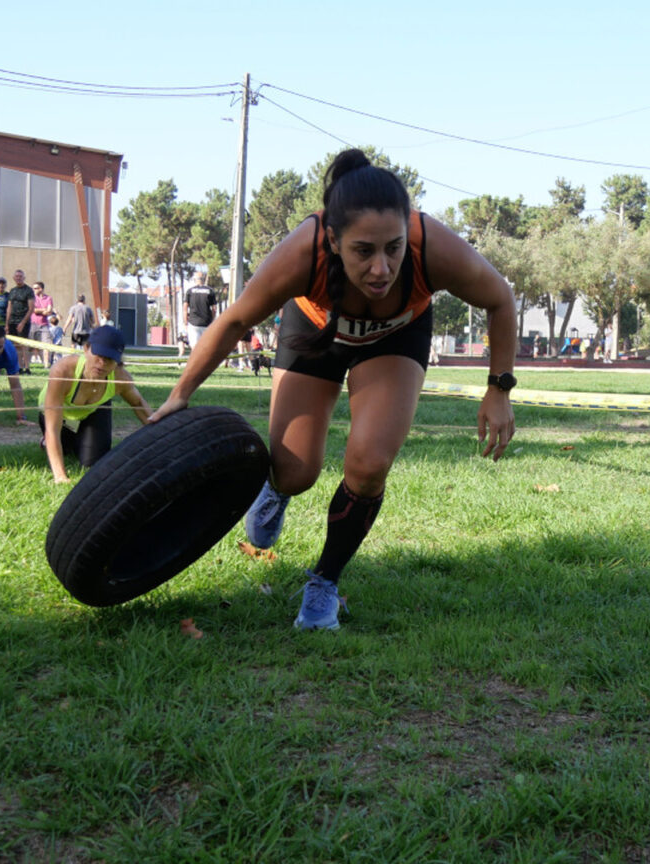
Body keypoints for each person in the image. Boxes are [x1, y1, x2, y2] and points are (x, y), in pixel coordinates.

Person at [149, 148, 516, 631]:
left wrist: (499, 389)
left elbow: (500, 299)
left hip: (394, 338)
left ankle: (324, 581)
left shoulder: (433, 247)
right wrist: (181, 393)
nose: (382, 268)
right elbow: (236, 319)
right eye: (364, 250)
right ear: (333, 240)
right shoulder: (303, 253)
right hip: (316, 328)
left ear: (408, 232)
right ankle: (277, 489)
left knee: (368, 466)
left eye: (394, 248)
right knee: (297, 470)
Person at [39, 325, 152, 482]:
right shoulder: (63, 371)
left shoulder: (121, 378)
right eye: (98, 355)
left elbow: (139, 404)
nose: (102, 363)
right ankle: (49, 441)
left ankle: (78, 440)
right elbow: (52, 428)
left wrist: (165, 437)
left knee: (93, 463)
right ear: (86, 349)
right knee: (62, 448)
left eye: (110, 359)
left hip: (90, 414)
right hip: (59, 418)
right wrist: (60, 476)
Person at [6, 270, 36, 374]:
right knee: (15, 345)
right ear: (14, 278)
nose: (18, 278)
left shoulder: (28, 290)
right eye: (17, 276)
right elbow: (9, 308)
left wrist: (23, 323)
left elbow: (31, 308)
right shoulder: (12, 291)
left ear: (24, 278)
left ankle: (27, 368)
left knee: (24, 344)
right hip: (12, 322)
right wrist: (6, 323)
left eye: (20, 276)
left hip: (23, 321)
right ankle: (19, 367)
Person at [185, 280, 218, 357]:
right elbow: (214, 309)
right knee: (205, 346)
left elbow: (185, 307)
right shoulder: (210, 291)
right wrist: (212, 320)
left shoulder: (190, 291)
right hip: (206, 322)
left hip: (193, 322)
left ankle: (194, 363)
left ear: (195, 280)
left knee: (194, 347)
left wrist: (185, 321)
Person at [30, 281, 56, 366]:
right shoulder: (32, 298)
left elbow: (49, 311)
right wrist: (44, 309)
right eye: (33, 288)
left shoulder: (48, 298)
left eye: (35, 288)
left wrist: (42, 310)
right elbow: (34, 310)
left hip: (44, 325)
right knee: (30, 346)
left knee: (46, 346)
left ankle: (46, 365)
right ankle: (27, 367)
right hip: (32, 324)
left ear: (41, 289)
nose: (33, 290)